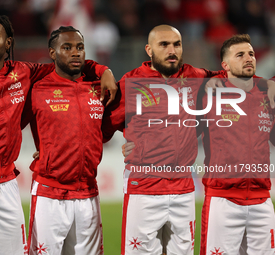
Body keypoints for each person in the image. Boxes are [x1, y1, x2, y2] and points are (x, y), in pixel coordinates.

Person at [0, 14, 116, 254]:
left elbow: (66, 63)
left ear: (8, 42)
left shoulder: (24, 73)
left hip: (7, 184)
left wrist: (104, 70)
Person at [102, 24, 224, 255]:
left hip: (184, 189)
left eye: (177, 44)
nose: (172, 50)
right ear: (149, 50)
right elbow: (101, 128)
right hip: (144, 186)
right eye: (164, 44)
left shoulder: (195, 77)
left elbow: (235, 78)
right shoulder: (131, 84)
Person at [21, 26, 122, 255]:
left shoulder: (99, 89)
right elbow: (7, 123)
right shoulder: (37, 89)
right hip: (49, 193)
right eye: (66, 48)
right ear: (52, 53)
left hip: (88, 194)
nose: (75, 53)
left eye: (79, 47)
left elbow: (115, 125)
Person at [199, 34, 275, 255]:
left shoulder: (267, 94)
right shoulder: (209, 94)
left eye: (250, 53)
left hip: (262, 200)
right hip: (223, 200)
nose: (248, 58)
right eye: (239, 55)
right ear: (225, 65)